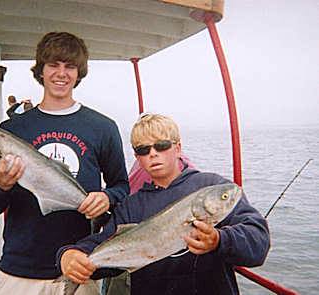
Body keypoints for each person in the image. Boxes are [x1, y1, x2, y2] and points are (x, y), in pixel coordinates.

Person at [57, 114, 270, 295]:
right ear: (137, 158)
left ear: (178, 148)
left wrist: (219, 240)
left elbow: (258, 241)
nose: (153, 153)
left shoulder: (212, 186)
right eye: (143, 149)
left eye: (161, 145)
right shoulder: (132, 206)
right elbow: (105, 241)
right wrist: (71, 254)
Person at [0, 31, 129, 295]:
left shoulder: (102, 127)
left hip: (80, 266)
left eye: (70, 66)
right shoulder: (13, 129)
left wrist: (106, 198)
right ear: (41, 70)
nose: (61, 73)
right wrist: (0, 185)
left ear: (79, 73)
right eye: (53, 65)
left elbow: (122, 187)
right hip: (20, 269)